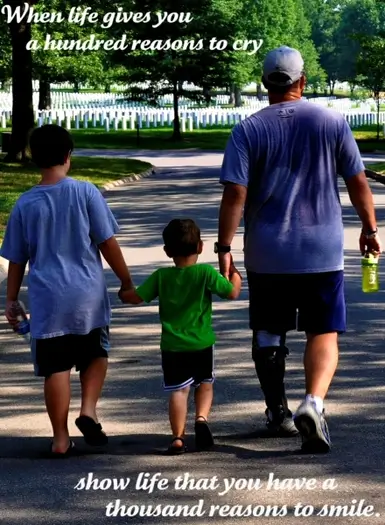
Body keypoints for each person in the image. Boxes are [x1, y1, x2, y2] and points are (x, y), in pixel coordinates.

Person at [216, 45, 381, 453]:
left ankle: (277, 411)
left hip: (267, 251)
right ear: (301, 81)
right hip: (321, 248)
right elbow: (358, 182)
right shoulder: (331, 122)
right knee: (322, 330)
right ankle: (314, 402)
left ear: (264, 83)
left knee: (269, 331)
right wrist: (370, 227)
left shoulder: (248, 130)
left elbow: (235, 193)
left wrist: (223, 247)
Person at [0, 124, 134, 457]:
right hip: (86, 295)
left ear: (33, 158)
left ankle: (60, 438)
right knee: (96, 354)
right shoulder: (86, 192)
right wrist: (126, 281)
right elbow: (107, 242)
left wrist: (12, 298)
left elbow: (16, 259)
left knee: (56, 368)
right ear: (68, 156)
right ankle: (88, 409)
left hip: (48, 299)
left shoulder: (25, 204)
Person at [119, 219, 242, 454]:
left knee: (179, 390)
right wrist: (235, 274)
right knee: (205, 384)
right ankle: (202, 419)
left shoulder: (161, 276)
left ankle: (177, 437)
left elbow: (136, 297)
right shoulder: (205, 273)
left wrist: (124, 293)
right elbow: (232, 292)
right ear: (200, 247)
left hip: (173, 346)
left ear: (167, 251)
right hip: (202, 343)